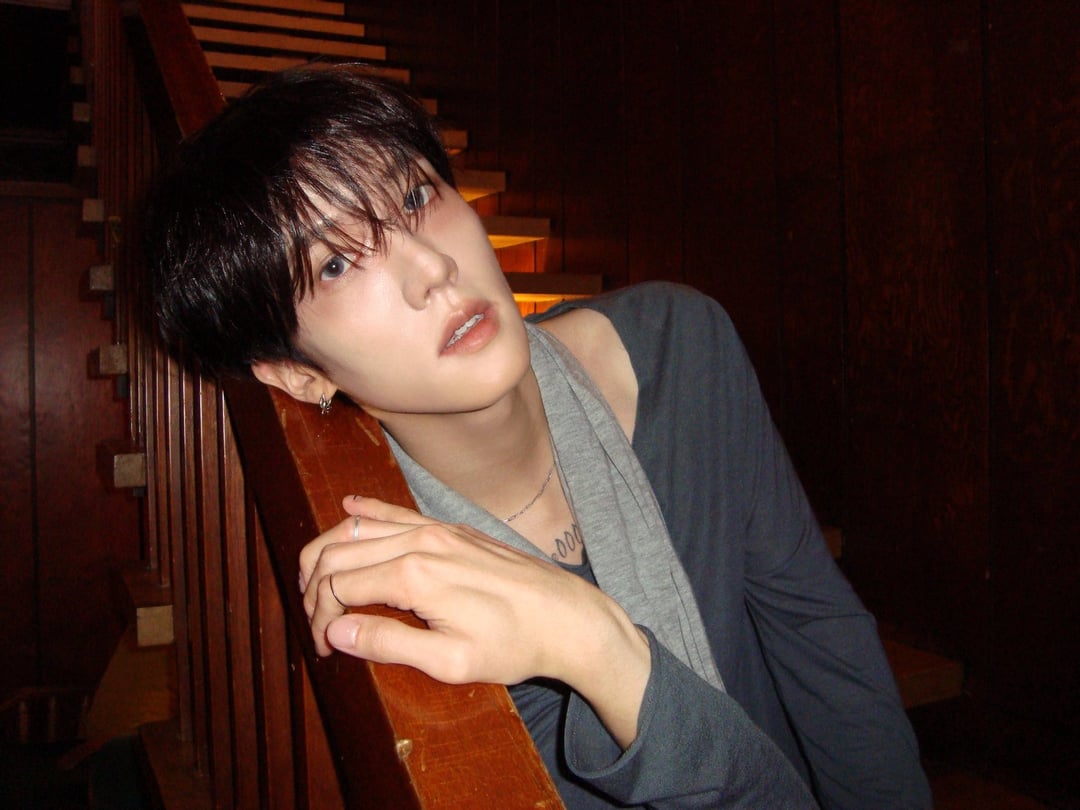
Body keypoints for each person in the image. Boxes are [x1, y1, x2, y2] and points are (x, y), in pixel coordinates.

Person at [144, 65, 931, 809]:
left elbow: (820, 637)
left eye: (415, 195)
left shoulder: (678, 346)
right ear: (296, 373)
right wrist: (594, 649)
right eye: (336, 264)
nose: (430, 267)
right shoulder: (401, 586)